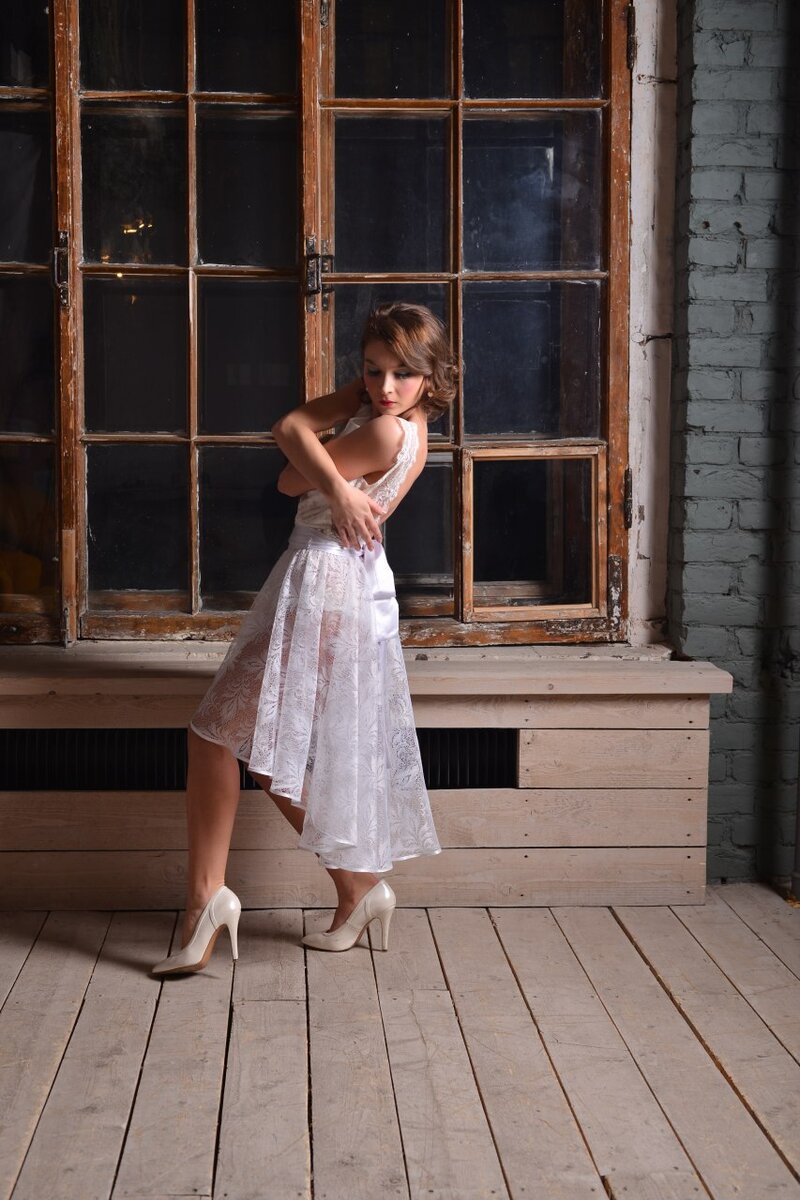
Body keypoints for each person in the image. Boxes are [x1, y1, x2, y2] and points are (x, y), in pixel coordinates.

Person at [152, 303, 459, 975]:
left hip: (323, 583)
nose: (385, 388)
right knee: (263, 749)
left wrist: (333, 475)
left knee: (212, 734)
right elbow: (295, 441)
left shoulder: (385, 431)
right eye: (372, 371)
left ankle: (206, 900)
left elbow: (290, 464)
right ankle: (357, 889)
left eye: (403, 374)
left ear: (432, 375)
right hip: (339, 582)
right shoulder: (412, 427)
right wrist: (339, 479)